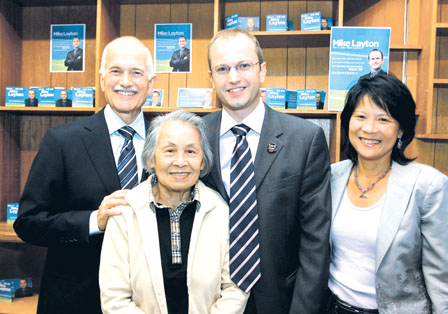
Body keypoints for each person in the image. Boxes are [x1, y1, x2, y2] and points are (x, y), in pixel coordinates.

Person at [13, 36, 156, 314]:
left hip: (149, 302)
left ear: (151, 82)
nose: (125, 81)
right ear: (102, 78)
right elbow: (28, 223)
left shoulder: (167, 144)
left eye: (136, 72)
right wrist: (94, 220)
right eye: (116, 71)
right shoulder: (62, 141)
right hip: (76, 301)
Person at [204, 28, 331, 314]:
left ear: (262, 71)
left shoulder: (305, 139)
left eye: (244, 66)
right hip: (209, 301)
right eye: (222, 69)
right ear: (211, 78)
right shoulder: (195, 136)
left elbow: (315, 242)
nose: (234, 78)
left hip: (280, 301)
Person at [100, 110, 248, 314]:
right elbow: (114, 298)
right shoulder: (125, 212)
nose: (180, 161)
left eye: (191, 151)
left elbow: (235, 289)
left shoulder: (221, 212)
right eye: (169, 151)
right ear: (151, 159)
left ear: (203, 161)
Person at [326, 74, 448, 314]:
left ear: (401, 129)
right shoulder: (330, 177)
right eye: (360, 117)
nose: (370, 129)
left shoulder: (428, 186)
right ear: (348, 122)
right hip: (332, 307)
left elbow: (441, 276)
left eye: (383, 119)